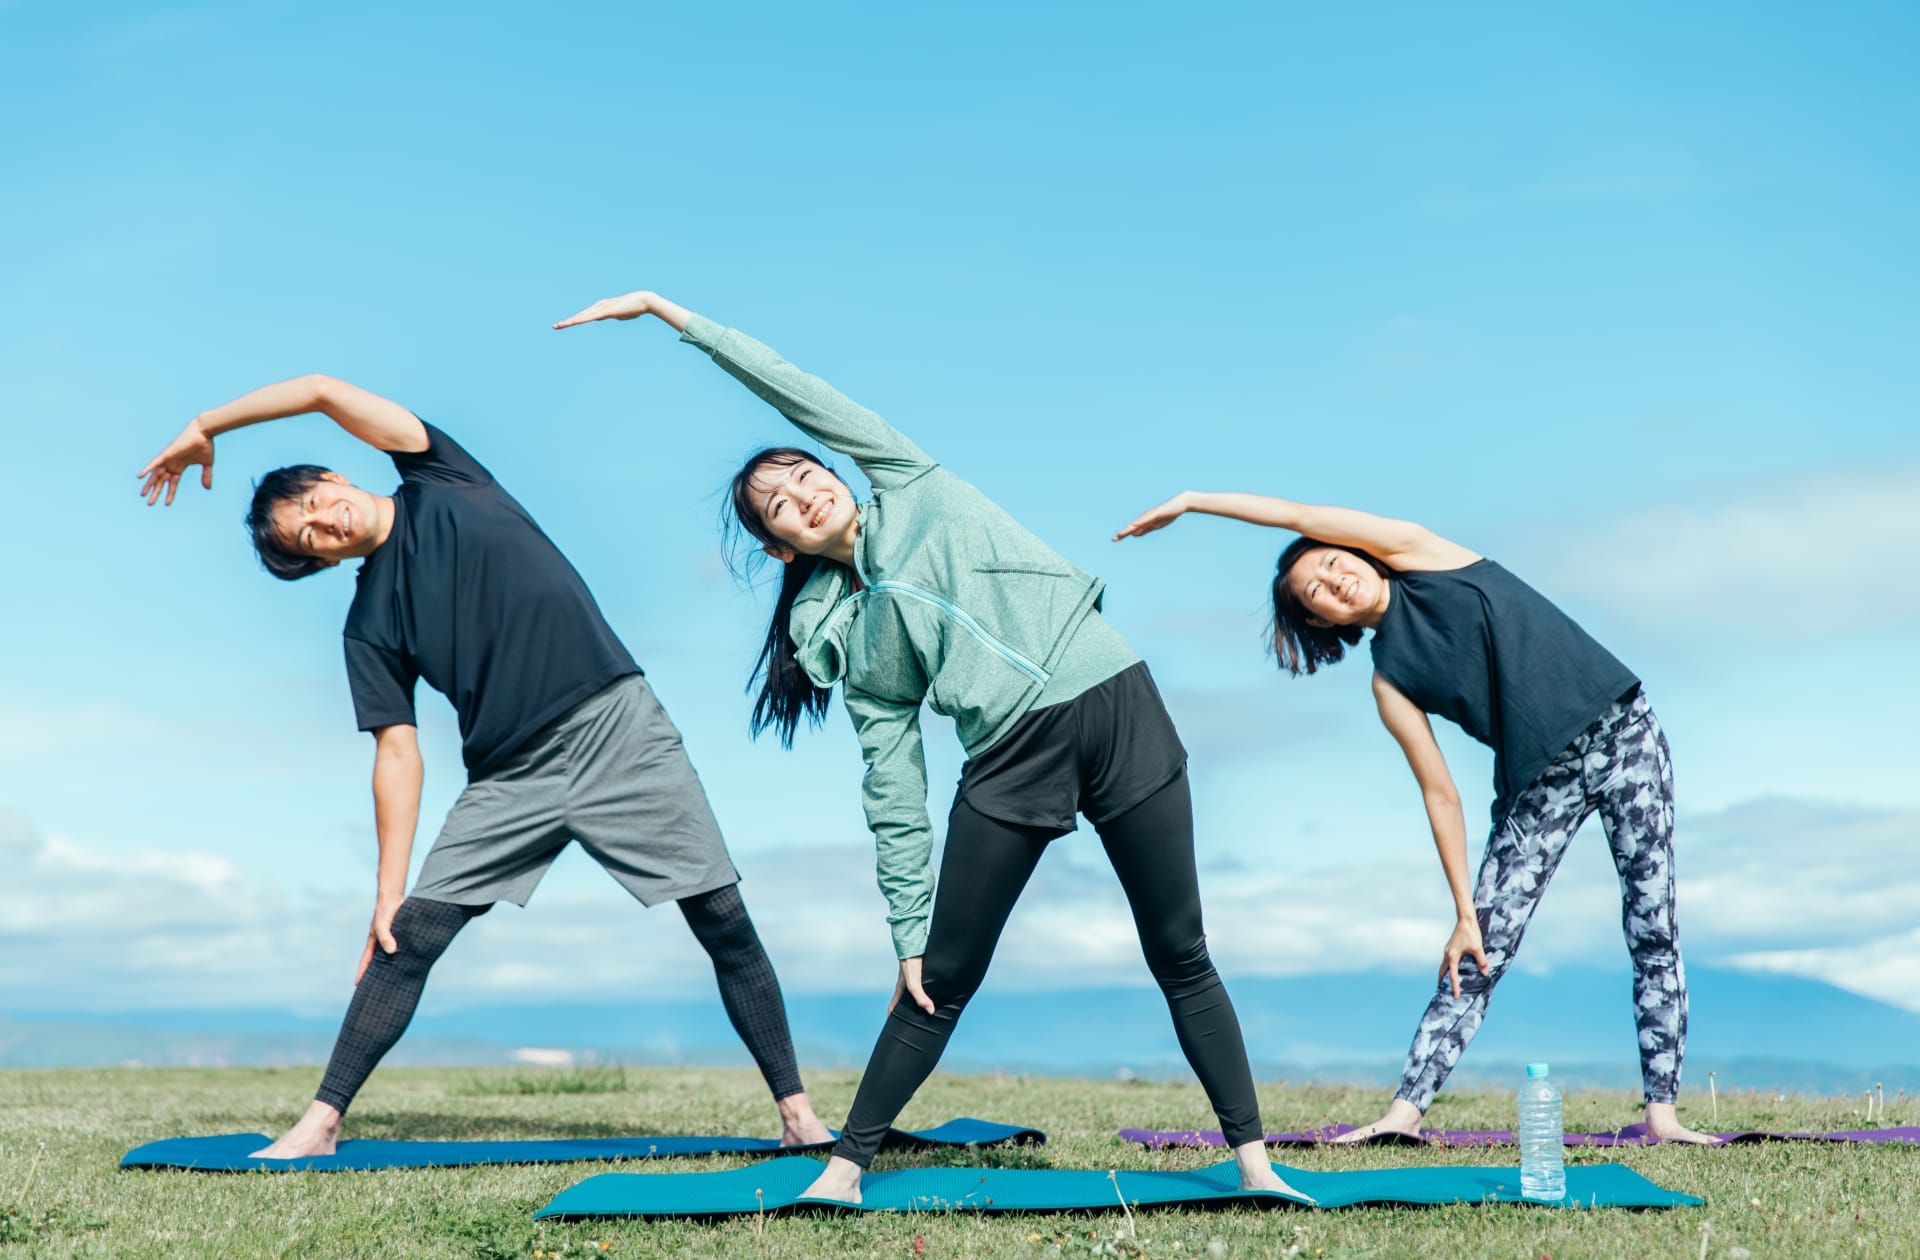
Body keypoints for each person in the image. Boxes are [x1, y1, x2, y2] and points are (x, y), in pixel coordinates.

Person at [554, 290, 1311, 1202]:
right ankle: (842, 1171)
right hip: (1011, 755)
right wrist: (907, 931)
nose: (804, 496)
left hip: (1118, 701)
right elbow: (893, 786)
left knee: (1180, 950)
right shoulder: (848, 641)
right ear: (781, 547)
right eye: (780, 508)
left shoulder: (913, 483)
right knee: (938, 976)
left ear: (837, 470)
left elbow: (794, 389)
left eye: (806, 476)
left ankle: (1256, 1166)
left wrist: (670, 315)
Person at [136, 377, 832, 1156]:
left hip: (618, 729)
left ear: (334, 478)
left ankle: (799, 1118)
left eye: (312, 504)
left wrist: (205, 424)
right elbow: (397, 751)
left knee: (721, 917)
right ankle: (321, 1123)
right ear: (320, 562)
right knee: (407, 937)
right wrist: (387, 892)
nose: (322, 524)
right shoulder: (369, 625)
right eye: (307, 539)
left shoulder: (441, 476)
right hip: (509, 778)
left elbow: (322, 392)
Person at [1114, 491, 1713, 1144]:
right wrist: (1463, 912)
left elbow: (1297, 518)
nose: (1334, 581)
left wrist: (1194, 502)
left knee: (1653, 925)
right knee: (1478, 949)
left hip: (1626, 735)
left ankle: (1662, 1115)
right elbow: (1440, 794)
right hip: (1540, 783)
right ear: (1318, 620)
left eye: (1332, 562)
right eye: (1316, 592)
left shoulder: (1424, 555)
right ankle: (1404, 1114)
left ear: (1354, 549)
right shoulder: (1390, 682)